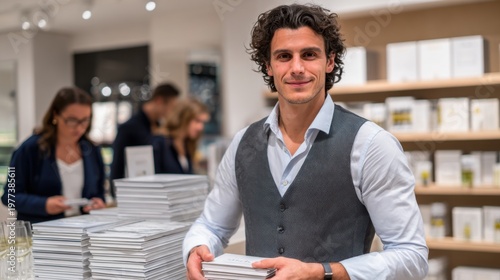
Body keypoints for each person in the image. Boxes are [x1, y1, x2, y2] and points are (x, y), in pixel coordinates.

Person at [183, 4, 428, 280]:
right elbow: (212, 225)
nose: (297, 68)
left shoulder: (371, 145)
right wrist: (196, 247)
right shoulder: (243, 144)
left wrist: (322, 272)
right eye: (284, 56)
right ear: (269, 66)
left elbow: (412, 257)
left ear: (330, 61)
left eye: (309, 54)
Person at [1, 87, 106, 224]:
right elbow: (9, 196)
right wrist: (44, 205)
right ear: (55, 115)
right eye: (72, 120)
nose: (79, 128)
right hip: (41, 235)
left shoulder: (92, 150)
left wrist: (98, 203)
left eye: (85, 120)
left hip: (85, 232)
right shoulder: (30, 149)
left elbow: (99, 193)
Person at [110, 83, 179, 196]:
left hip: (156, 194)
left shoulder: (159, 128)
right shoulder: (129, 128)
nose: (171, 112)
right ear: (159, 100)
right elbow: (117, 166)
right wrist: (116, 196)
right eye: (171, 107)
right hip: (135, 195)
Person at [153, 97, 210, 174]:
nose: (201, 127)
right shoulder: (160, 143)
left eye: (203, 123)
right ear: (184, 118)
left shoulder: (187, 144)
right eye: (197, 121)